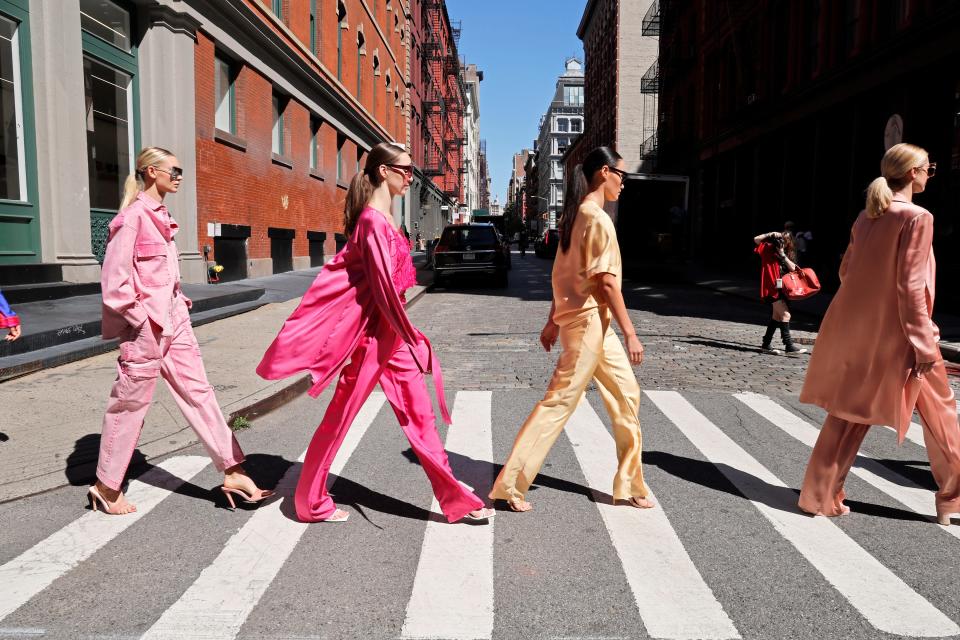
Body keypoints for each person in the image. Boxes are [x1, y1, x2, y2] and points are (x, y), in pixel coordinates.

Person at [257, 143, 494, 524]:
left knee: (420, 416)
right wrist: (411, 333)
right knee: (340, 417)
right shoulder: (372, 221)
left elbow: (391, 289)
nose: (410, 176)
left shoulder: (385, 219)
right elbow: (383, 289)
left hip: (392, 337)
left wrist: (405, 335)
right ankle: (309, 501)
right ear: (384, 171)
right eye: (405, 170)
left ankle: (454, 498)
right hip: (370, 337)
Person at [89, 147, 273, 515]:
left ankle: (233, 469)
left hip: (176, 323)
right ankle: (105, 487)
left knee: (200, 394)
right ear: (152, 171)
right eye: (174, 170)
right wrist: (142, 320)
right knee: (129, 405)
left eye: (180, 170)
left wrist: (179, 304)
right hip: (147, 329)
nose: (179, 176)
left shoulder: (162, 217)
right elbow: (114, 284)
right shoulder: (132, 219)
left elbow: (163, 277)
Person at [798, 143, 960, 524]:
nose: (929, 173)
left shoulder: (868, 215)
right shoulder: (918, 218)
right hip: (908, 336)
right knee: (943, 418)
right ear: (911, 173)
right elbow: (910, 284)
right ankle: (952, 502)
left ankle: (817, 495)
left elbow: (846, 273)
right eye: (927, 168)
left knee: (849, 414)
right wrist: (922, 341)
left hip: (866, 332)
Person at [489, 147, 654, 513]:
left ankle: (629, 482)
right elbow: (607, 283)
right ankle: (511, 485)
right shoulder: (594, 219)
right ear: (605, 173)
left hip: (593, 324)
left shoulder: (577, 216)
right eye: (622, 176)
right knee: (559, 402)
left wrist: (551, 320)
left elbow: (562, 277)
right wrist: (631, 332)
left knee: (627, 394)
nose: (624, 183)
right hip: (587, 325)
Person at [753, 227, 808, 355]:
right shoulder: (768, 249)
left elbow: (794, 269)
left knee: (776, 317)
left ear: (789, 243)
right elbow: (756, 239)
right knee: (785, 315)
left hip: (784, 290)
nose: (782, 241)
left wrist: (782, 254)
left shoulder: (788, 254)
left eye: (785, 240)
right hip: (772, 288)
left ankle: (766, 344)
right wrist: (770, 233)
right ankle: (789, 346)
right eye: (781, 238)